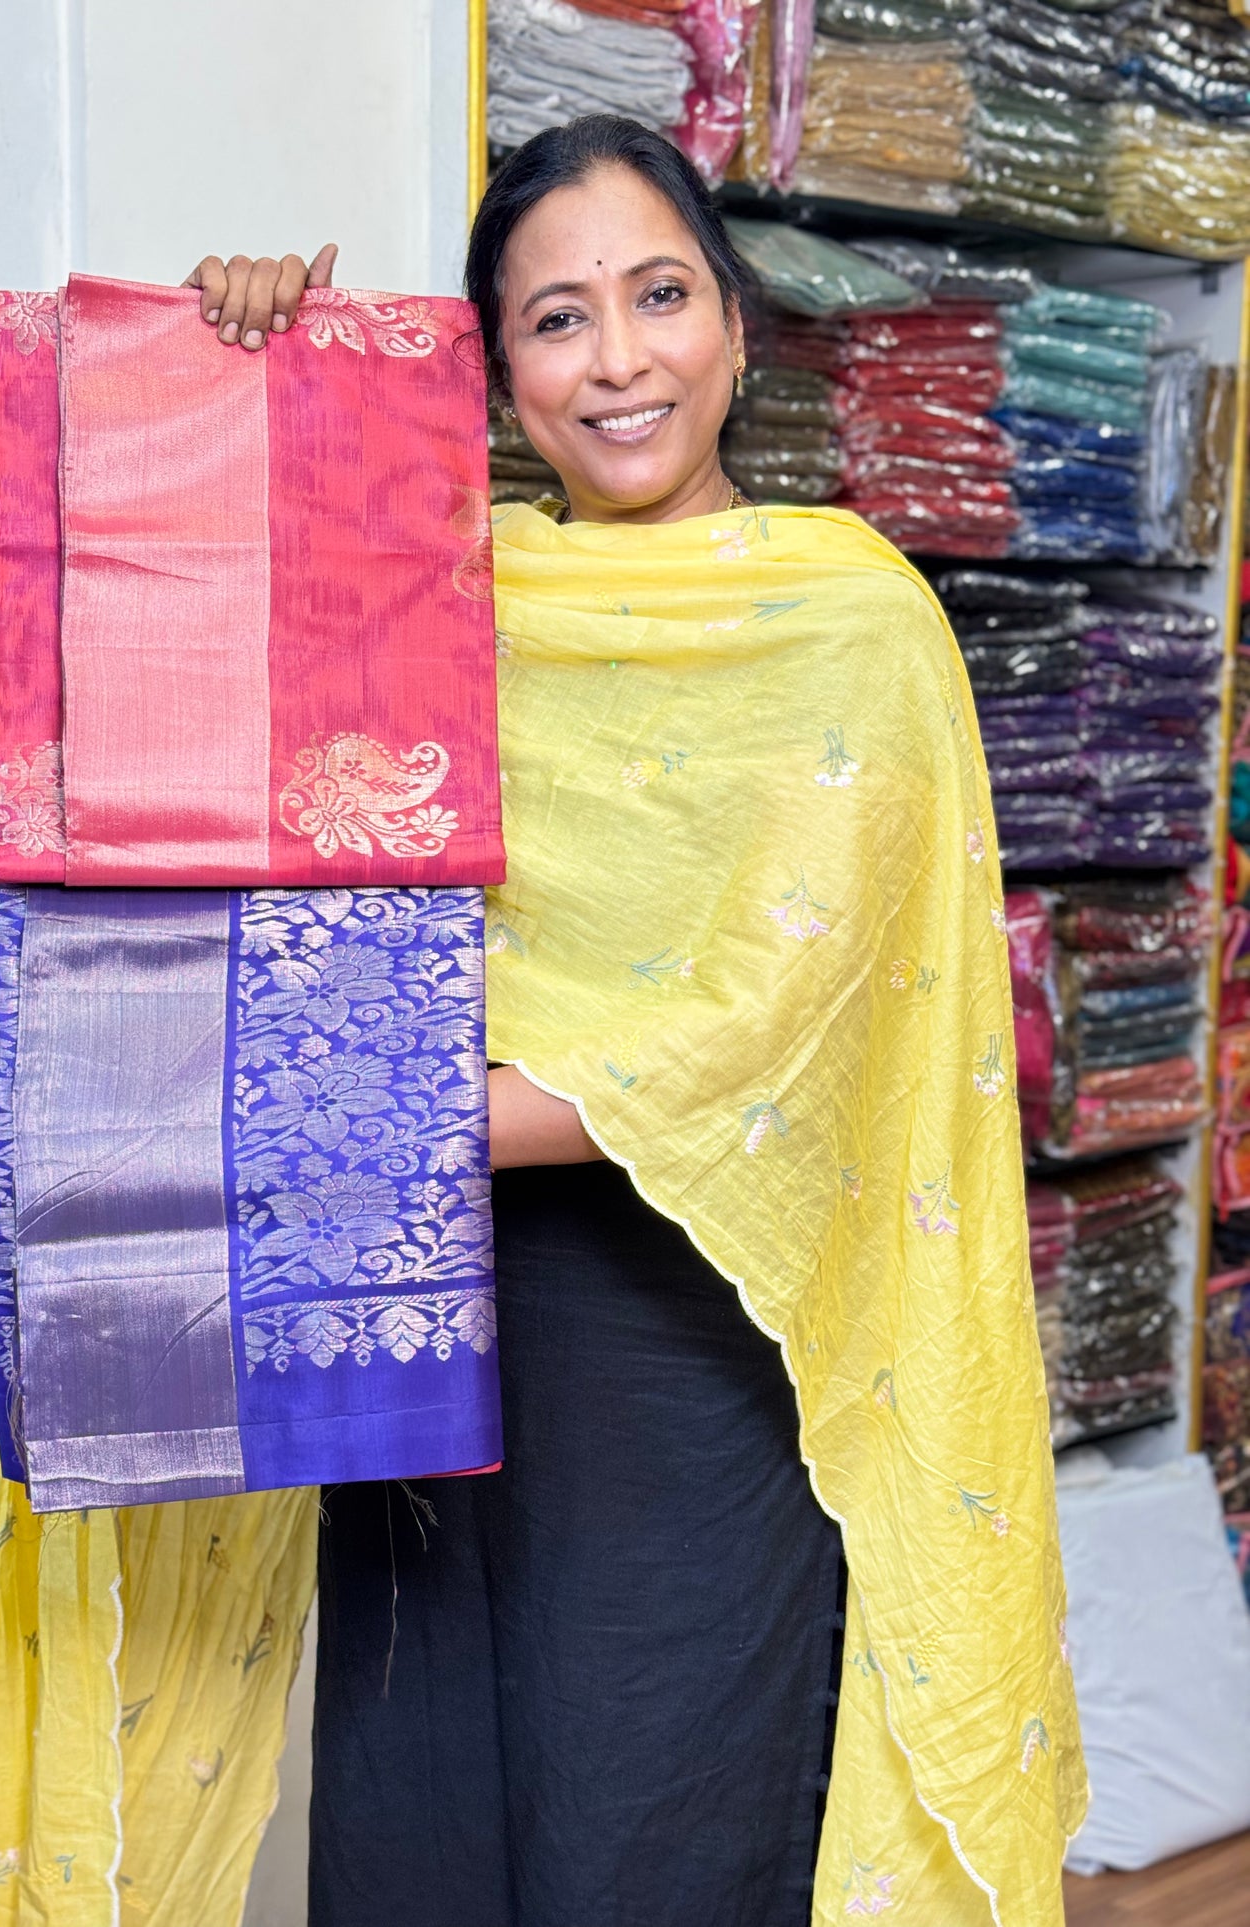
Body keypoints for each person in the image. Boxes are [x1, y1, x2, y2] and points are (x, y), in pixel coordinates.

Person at [185, 116, 1084, 1927]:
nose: (616, 360)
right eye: (553, 319)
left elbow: (770, 1020)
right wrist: (252, 367)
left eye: (659, 295)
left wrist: (371, 1113)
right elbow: (196, 654)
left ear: (737, 330)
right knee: (423, 1814)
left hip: (693, 1336)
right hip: (429, 1322)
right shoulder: (447, 596)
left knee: (649, 1821)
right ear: (493, 368)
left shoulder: (844, 621)